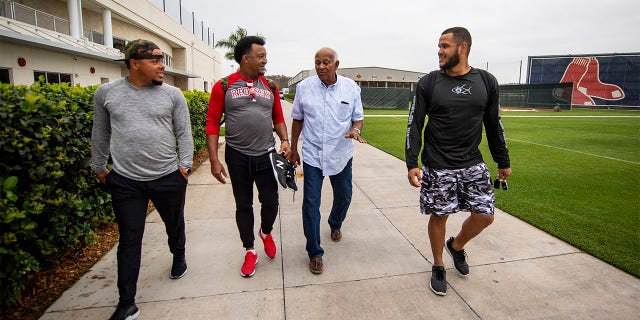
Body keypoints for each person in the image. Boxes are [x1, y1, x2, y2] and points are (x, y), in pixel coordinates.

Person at [91, 39, 194, 320]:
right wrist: (99, 167)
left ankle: (179, 256)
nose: (162, 66)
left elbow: (184, 133)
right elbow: (100, 133)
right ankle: (127, 302)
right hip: (126, 180)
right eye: (155, 61)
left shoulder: (173, 95)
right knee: (129, 238)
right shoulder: (106, 93)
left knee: (174, 225)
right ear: (134, 63)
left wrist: (184, 167)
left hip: (168, 177)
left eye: (163, 61)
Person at [405, 27, 512, 296]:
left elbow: (493, 124)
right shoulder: (429, 82)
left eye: (445, 46)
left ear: (462, 47)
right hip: (438, 164)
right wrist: (412, 162)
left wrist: (503, 160)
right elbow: (415, 124)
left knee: (485, 215)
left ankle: (455, 246)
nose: (439, 51)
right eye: (439, 46)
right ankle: (438, 265)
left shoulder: (486, 81)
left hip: (472, 162)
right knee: (439, 215)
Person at [206, 36, 290, 278]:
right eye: (261, 56)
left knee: (271, 201)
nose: (266, 60)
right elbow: (212, 122)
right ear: (246, 58)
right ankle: (250, 250)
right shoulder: (224, 86)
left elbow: (278, 119)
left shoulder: (271, 86)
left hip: (266, 154)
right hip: (237, 156)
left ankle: (266, 232)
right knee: (243, 205)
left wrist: (285, 141)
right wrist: (214, 159)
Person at [289, 47, 365, 274]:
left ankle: (335, 223)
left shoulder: (351, 88)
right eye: (317, 62)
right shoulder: (304, 88)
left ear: (336, 64)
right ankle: (314, 252)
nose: (321, 66)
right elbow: (297, 120)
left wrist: (355, 130)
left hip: (341, 153)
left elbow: (358, 119)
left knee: (345, 196)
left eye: (326, 62)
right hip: (313, 154)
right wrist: (294, 149)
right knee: (311, 203)